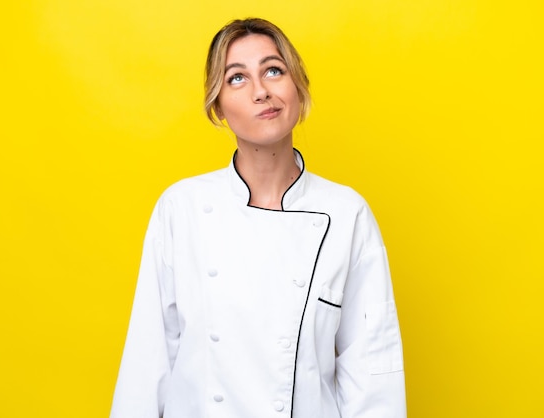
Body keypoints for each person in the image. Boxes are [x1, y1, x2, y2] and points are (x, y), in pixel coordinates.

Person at [110, 17, 406, 418]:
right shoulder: (182, 208)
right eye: (237, 78)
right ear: (217, 107)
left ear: (297, 86)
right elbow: (148, 362)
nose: (261, 91)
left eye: (273, 70)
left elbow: (372, 371)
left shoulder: (345, 213)